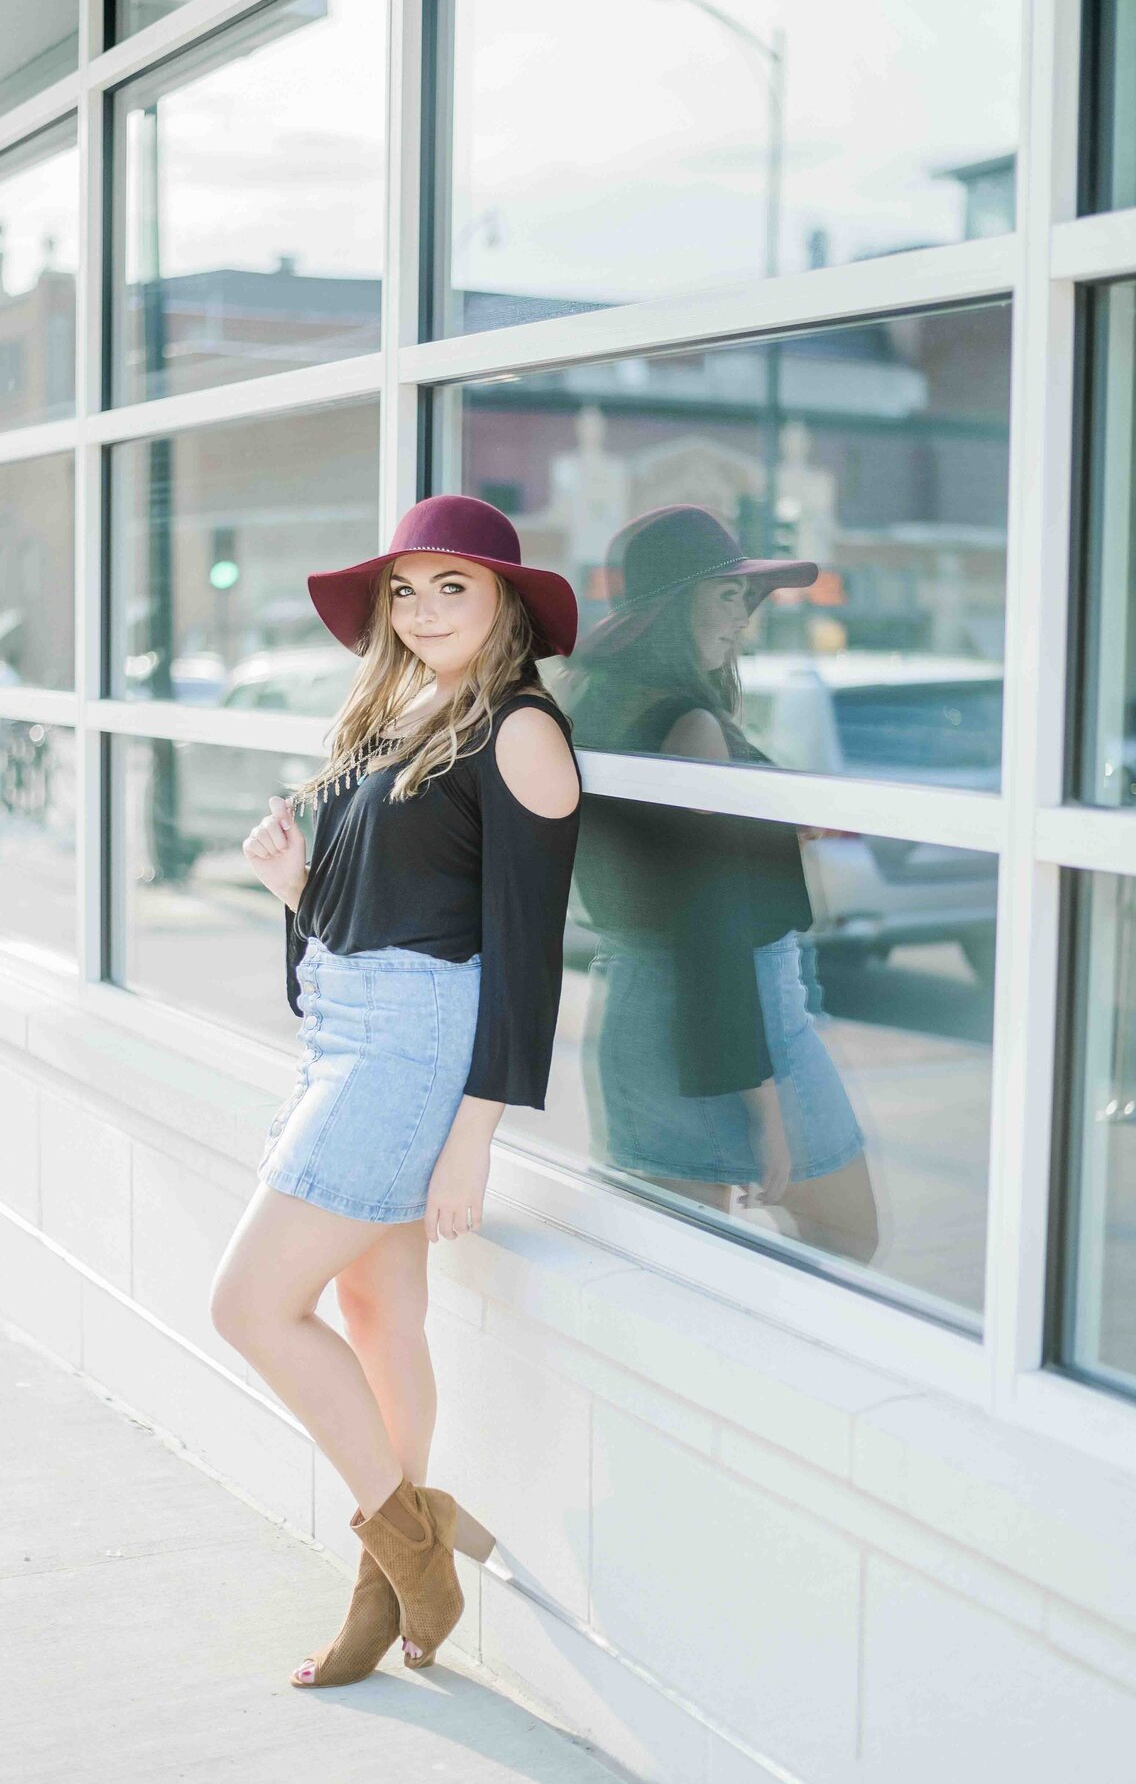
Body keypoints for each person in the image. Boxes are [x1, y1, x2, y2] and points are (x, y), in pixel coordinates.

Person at [209, 494, 582, 1688]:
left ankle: (416, 1550)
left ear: (507, 603)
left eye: (452, 589)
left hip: (418, 1047)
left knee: (249, 1305)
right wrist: (293, 881)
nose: (422, 613)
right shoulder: (396, 717)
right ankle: (389, 1585)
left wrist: (475, 1135)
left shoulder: (519, 730)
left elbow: (525, 952)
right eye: (405, 592)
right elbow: (365, 919)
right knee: (378, 1318)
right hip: (350, 1028)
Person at [562, 503, 879, 1264]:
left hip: (642, 1007)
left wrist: (765, 823)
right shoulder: (689, 726)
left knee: (682, 1281)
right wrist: (762, 1102)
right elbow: (708, 922)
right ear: (677, 603)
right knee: (845, 1241)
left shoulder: (598, 704)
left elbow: (659, 873)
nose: (744, 618)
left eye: (747, 597)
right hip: (730, 1017)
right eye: (728, 594)